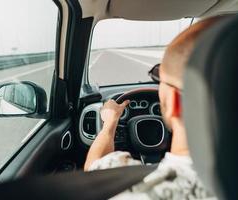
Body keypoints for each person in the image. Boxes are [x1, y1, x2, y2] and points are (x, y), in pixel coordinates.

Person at [84, 16, 224, 199]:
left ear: (174, 101)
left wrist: (110, 123)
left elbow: (92, 168)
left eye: (159, 80)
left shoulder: (133, 190)